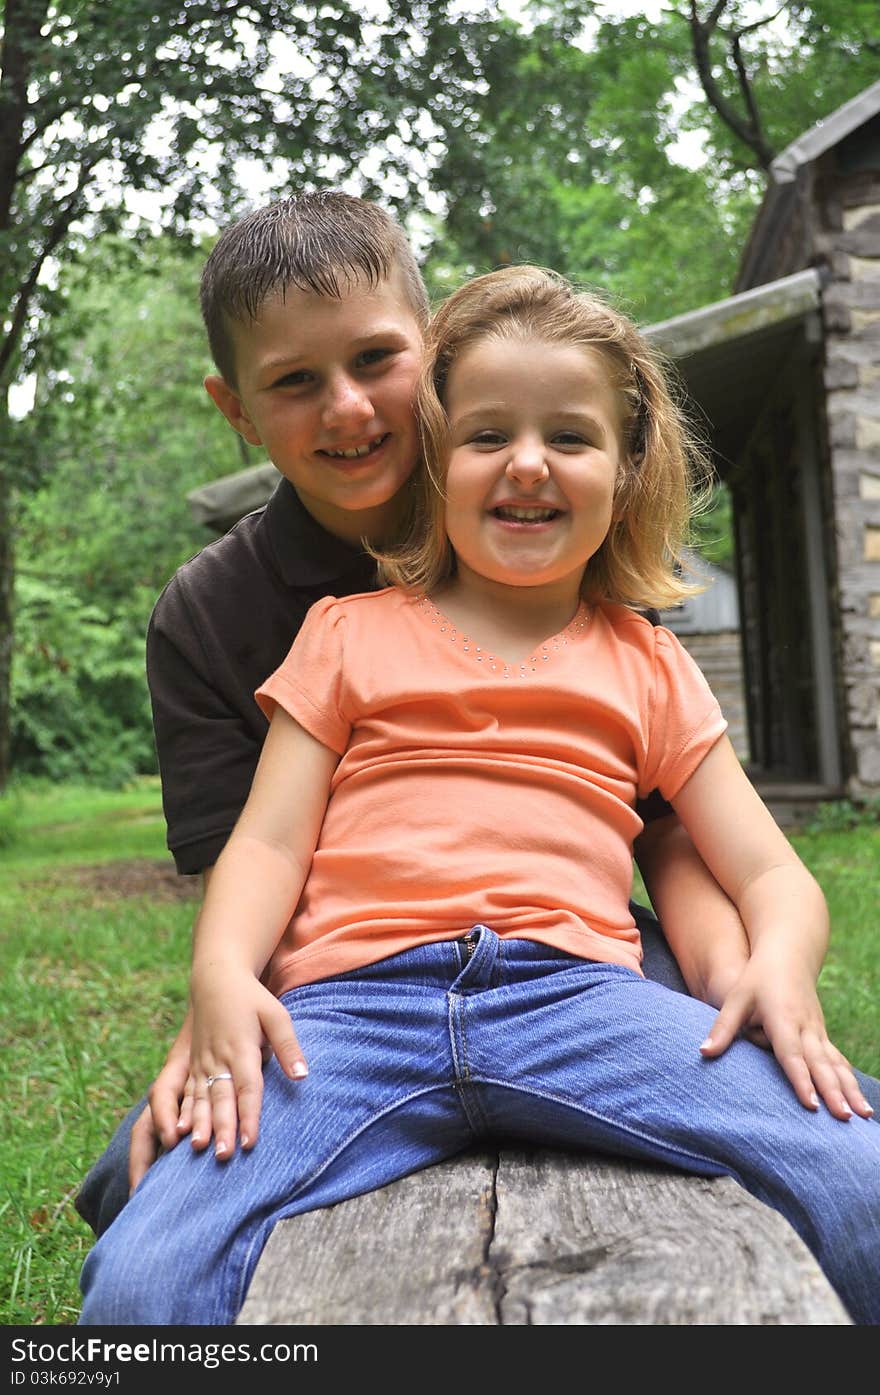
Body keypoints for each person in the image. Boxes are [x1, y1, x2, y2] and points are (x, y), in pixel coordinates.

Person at [79, 263, 880, 1327]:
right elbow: (265, 849)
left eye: (571, 437)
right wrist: (220, 975)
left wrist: (777, 963)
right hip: (345, 1018)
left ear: (628, 463)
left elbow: (765, 867)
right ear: (437, 457)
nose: (528, 466)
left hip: (580, 1003)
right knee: (143, 1285)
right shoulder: (346, 635)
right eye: (488, 435)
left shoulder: (645, 663)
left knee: (860, 1185)